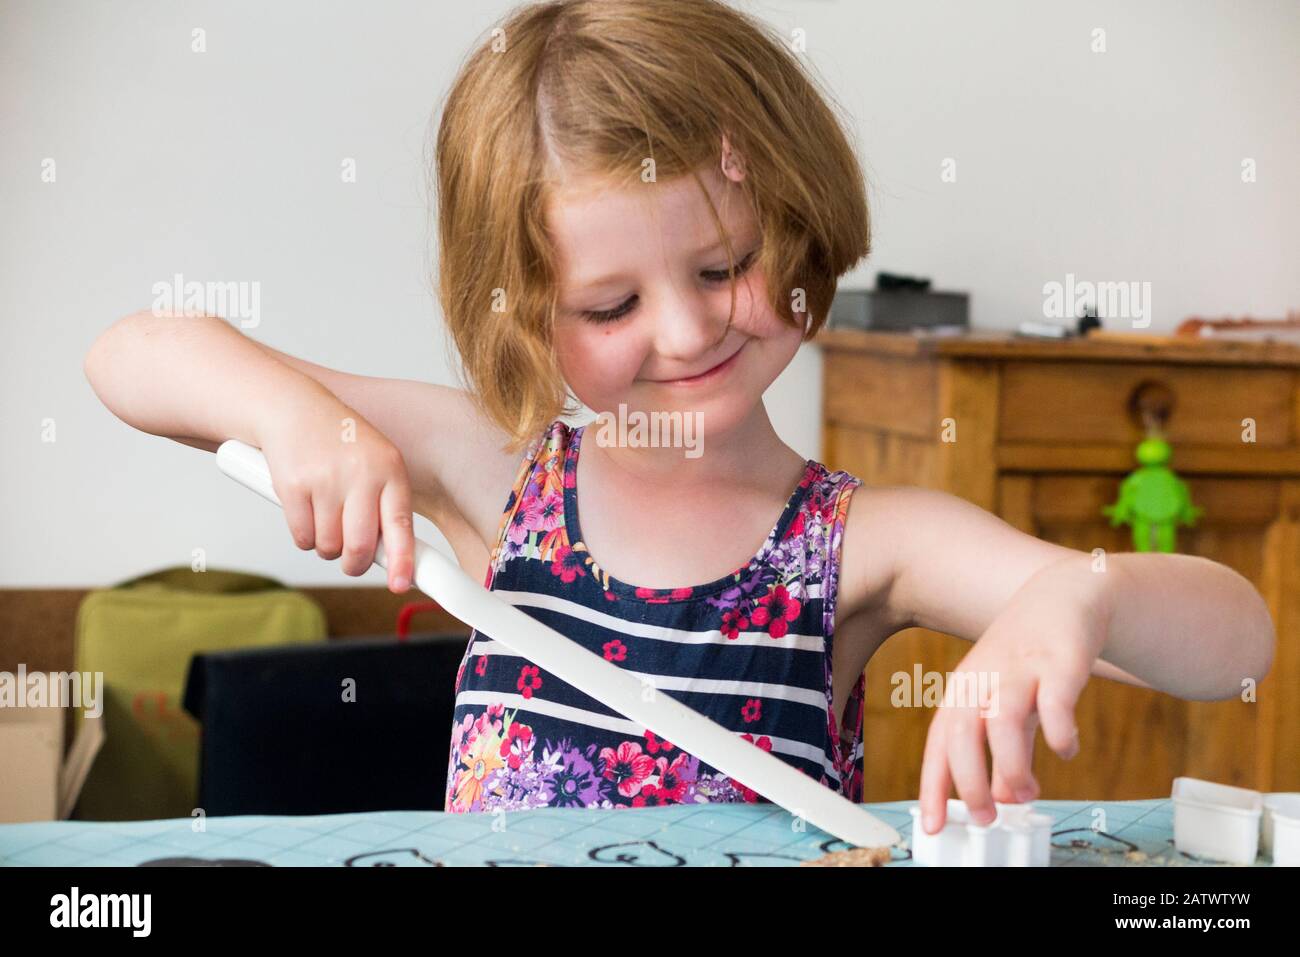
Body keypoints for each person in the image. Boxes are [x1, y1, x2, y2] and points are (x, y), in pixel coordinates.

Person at [84, 0, 1274, 835]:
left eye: (723, 269)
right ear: (526, 317)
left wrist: (1085, 591)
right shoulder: (498, 478)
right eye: (609, 303)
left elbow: (1240, 653)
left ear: (797, 220)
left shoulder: (860, 547)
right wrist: (301, 418)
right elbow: (132, 356)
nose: (688, 333)